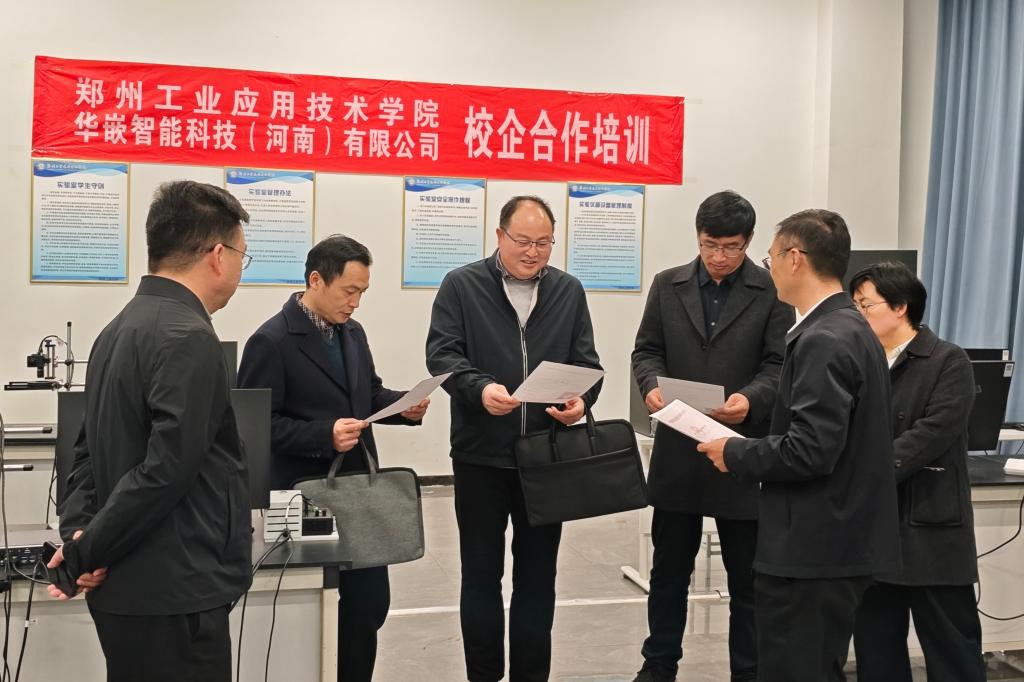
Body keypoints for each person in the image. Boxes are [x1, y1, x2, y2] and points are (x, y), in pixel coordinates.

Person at [49, 180, 254, 682]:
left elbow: (84, 452)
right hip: (176, 591)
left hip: (126, 588)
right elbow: (167, 470)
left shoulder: (117, 329)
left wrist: (81, 534)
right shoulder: (189, 337)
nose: (238, 272)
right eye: (242, 257)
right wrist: (82, 553)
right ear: (218, 255)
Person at [696, 209, 900, 682]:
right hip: (836, 542)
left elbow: (811, 450)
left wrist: (734, 451)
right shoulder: (850, 328)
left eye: (768, 259)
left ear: (794, 258)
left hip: (814, 549)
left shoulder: (824, 338)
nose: (768, 270)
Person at [426, 195, 602, 682]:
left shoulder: (568, 290)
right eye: (523, 241)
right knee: (481, 577)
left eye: (544, 242)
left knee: (538, 580)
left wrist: (581, 402)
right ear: (499, 235)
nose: (533, 252)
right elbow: (443, 355)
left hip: (545, 459)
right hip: (480, 457)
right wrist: (479, 389)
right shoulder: (462, 285)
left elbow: (586, 364)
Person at [237, 234, 428, 682]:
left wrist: (402, 406)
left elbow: (367, 394)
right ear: (316, 280)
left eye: (362, 292)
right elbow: (255, 425)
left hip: (359, 493)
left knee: (369, 605)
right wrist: (323, 435)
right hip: (304, 495)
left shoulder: (352, 333)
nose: (356, 303)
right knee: (308, 606)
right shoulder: (271, 341)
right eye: (349, 291)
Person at [631, 190, 792, 682]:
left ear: (749, 241)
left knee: (748, 578)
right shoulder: (668, 284)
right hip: (679, 448)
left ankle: (749, 671)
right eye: (710, 245)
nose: (719, 257)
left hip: (741, 451)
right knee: (668, 573)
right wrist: (651, 385)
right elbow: (646, 351)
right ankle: (659, 666)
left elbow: (779, 364)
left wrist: (751, 399)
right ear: (697, 237)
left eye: (732, 247)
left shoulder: (771, 292)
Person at [848, 261, 985, 681]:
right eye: (855, 306)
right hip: (875, 530)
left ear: (900, 306)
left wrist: (866, 473)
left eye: (866, 305)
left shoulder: (948, 360)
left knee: (952, 652)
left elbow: (932, 433)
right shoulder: (860, 361)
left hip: (932, 527)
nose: (858, 315)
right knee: (876, 651)